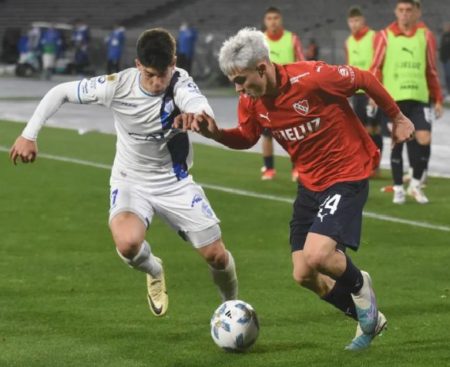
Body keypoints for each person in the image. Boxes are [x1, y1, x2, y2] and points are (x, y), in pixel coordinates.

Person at [175, 27, 415, 350]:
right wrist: (215, 133)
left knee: (319, 254)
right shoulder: (252, 100)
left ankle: (361, 287)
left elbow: (363, 79)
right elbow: (247, 136)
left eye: (241, 80)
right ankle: (367, 318)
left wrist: (397, 117)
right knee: (303, 273)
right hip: (310, 184)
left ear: (262, 68)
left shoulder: (312, 78)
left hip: (347, 172)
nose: (237, 88)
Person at [9, 28, 238, 317]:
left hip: (175, 183)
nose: (156, 83)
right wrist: (29, 134)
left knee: (217, 256)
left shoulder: (181, 82)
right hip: (131, 180)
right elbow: (61, 91)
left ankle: (231, 306)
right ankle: (154, 270)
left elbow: (198, 105)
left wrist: (201, 119)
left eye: (163, 75)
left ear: (174, 63)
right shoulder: (116, 86)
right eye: (150, 74)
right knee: (128, 244)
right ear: (138, 65)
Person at [370, 0, 443, 204]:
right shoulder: (384, 36)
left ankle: (415, 185)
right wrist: (374, 95)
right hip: (394, 101)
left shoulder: (426, 36)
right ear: (396, 11)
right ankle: (398, 188)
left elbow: (431, 69)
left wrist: (437, 97)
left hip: (419, 98)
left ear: (417, 12)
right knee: (397, 144)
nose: (404, 14)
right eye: (401, 10)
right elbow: (376, 67)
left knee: (424, 138)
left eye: (409, 10)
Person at [261, 6, 305, 181]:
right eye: (270, 18)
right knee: (267, 133)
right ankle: (269, 169)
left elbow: (302, 64)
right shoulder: (260, 41)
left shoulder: (292, 39)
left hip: (290, 94)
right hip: (266, 95)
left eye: (276, 18)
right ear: (265, 21)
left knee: (295, 133)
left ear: (281, 20)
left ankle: (297, 168)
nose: (273, 21)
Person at [345, 6, 383, 176]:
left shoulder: (374, 37)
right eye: (352, 21)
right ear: (348, 23)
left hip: (372, 90)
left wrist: (377, 91)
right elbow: (349, 66)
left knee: (373, 128)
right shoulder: (348, 42)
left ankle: (375, 165)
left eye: (357, 20)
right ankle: (365, 163)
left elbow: (380, 63)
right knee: (360, 129)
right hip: (357, 92)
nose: (354, 24)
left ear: (363, 21)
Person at [440, 23, 450, 101]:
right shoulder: (444, 36)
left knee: (448, 75)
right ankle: (448, 91)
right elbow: (442, 47)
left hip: (448, 59)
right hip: (444, 59)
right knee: (446, 76)